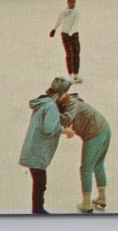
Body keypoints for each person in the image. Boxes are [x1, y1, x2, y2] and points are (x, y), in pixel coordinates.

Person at [18, 77, 76, 214]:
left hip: (32, 150)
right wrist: (65, 130)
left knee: (39, 183)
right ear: (60, 93)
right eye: (66, 92)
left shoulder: (43, 103)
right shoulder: (51, 106)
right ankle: (38, 211)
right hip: (38, 152)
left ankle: (37, 209)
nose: (67, 96)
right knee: (40, 184)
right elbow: (49, 128)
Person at [58, 94, 112, 213]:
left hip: (94, 134)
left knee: (85, 169)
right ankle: (102, 197)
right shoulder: (72, 101)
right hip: (104, 127)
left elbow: (65, 120)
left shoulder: (70, 105)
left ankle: (86, 203)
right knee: (98, 165)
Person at [50, 0, 83, 83]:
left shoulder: (76, 13)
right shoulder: (63, 12)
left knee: (76, 53)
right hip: (65, 34)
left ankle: (76, 74)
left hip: (74, 34)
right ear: (67, 2)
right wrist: (54, 29)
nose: (73, 4)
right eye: (71, 2)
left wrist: (71, 33)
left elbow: (75, 23)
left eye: (74, 2)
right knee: (69, 53)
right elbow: (59, 20)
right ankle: (70, 74)